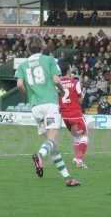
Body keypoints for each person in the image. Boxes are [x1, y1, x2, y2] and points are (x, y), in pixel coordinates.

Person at [15, 35, 80, 187]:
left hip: (35, 107)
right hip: (50, 104)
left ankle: (68, 178)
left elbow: (19, 85)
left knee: (53, 144)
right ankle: (40, 155)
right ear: (42, 46)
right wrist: (63, 92)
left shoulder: (23, 65)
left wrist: (29, 94)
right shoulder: (49, 60)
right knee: (51, 141)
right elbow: (57, 80)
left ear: (28, 48)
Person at [59, 67, 89, 169]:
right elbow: (80, 101)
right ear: (68, 70)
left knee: (76, 137)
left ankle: (76, 158)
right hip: (75, 114)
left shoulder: (57, 83)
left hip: (65, 115)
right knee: (84, 136)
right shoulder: (75, 82)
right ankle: (79, 160)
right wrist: (83, 94)